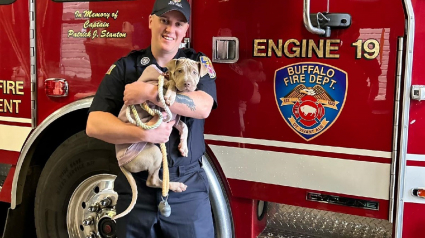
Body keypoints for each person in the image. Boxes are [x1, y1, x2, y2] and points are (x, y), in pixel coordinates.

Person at [86, 0, 217, 237]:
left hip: (186, 189)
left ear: (186, 30)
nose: (170, 29)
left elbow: (204, 106)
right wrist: (143, 134)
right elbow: (94, 124)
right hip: (136, 188)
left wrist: (149, 93)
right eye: (164, 21)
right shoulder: (126, 67)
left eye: (178, 23)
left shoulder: (196, 64)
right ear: (150, 21)